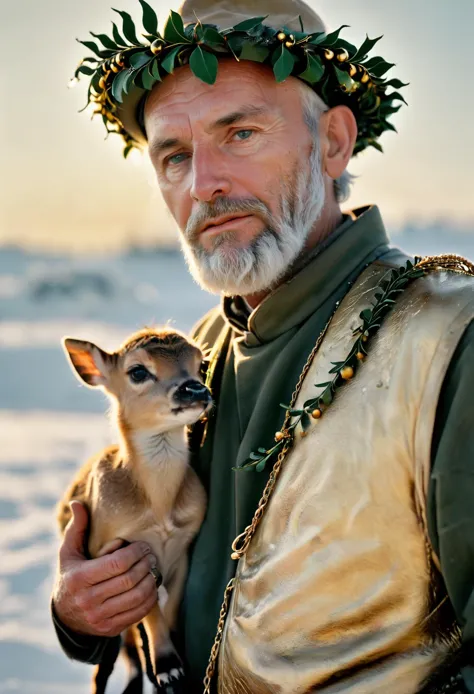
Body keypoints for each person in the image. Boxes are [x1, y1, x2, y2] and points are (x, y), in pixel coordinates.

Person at [51, 0, 474, 692]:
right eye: (174, 156)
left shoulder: (449, 339)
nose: (203, 185)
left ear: (333, 142)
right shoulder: (201, 349)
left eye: (240, 133)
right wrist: (86, 611)